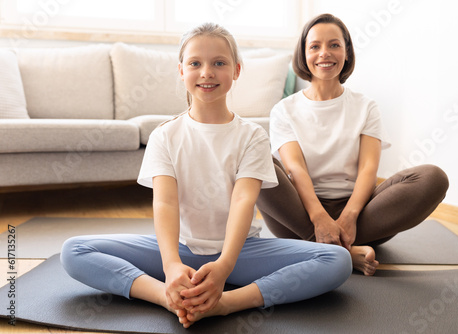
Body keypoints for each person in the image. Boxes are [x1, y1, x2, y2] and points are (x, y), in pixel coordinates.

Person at [60, 22, 352, 329]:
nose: (207, 72)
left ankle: (225, 303)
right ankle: (166, 297)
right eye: (195, 63)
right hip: (180, 249)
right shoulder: (165, 136)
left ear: (237, 70)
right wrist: (171, 265)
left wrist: (225, 266)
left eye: (219, 63)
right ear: (181, 70)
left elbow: (243, 201)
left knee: (337, 261)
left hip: (240, 253)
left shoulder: (252, 136)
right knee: (74, 251)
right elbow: (166, 204)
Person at [256, 13, 449, 276]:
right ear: (304, 54)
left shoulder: (366, 106)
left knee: (433, 178)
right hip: (300, 213)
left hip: (360, 215)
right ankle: (343, 250)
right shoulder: (284, 110)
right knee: (252, 156)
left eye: (334, 45)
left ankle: (323, 248)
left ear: (346, 52)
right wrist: (319, 218)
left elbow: (368, 170)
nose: (325, 53)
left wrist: (349, 217)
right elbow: (296, 170)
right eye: (315, 46)